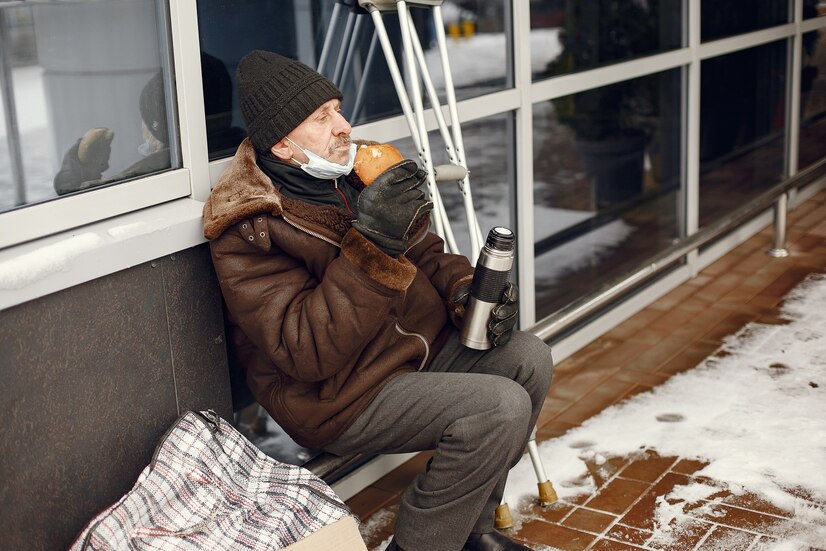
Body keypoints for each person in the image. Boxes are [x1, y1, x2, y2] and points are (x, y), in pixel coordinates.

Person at [202, 50, 554, 551]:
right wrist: (373, 245)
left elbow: (428, 254)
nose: (344, 125)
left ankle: (472, 532)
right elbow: (305, 350)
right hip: (340, 393)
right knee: (498, 407)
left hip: (413, 352)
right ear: (283, 145)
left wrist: (466, 292)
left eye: (338, 109)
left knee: (528, 360)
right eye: (321, 118)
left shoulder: (352, 176)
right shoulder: (251, 227)